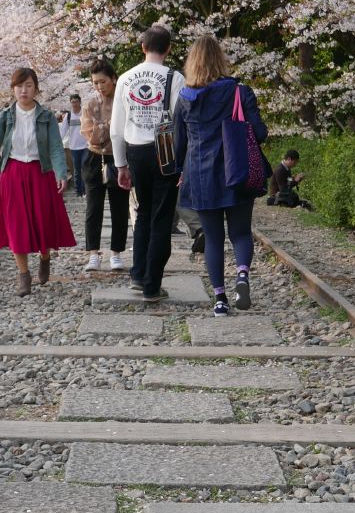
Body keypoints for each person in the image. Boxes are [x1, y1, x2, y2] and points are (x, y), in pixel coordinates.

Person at [173, 34, 270, 317]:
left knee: (213, 239)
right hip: (237, 171)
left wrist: (180, 170)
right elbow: (260, 133)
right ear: (221, 60)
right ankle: (242, 275)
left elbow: (180, 143)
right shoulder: (240, 92)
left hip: (202, 176)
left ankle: (219, 300)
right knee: (240, 232)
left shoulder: (185, 98)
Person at [0, 67, 76, 296]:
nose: (24, 90)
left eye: (29, 85)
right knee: (17, 225)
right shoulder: (4, 117)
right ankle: (23, 275)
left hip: (41, 173)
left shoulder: (47, 116)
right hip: (14, 174)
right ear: (13, 89)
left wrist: (61, 173)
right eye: (19, 86)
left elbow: (56, 148)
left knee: (44, 223)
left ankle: (44, 256)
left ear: (36, 88)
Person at [111, 25, 184, 302]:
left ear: (143, 47)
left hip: (135, 150)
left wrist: (120, 165)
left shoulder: (126, 79)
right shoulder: (174, 78)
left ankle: (138, 276)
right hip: (165, 150)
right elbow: (180, 122)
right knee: (162, 216)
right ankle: (153, 285)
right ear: (168, 49)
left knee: (142, 212)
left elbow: (116, 128)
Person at [79, 58, 129, 272]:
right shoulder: (90, 104)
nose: (99, 87)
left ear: (113, 79)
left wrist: (103, 127)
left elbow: (125, 131)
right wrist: (110, 127)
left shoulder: (125, 99)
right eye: (95, 83)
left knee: (120, 207)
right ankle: (93, 253)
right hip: (94, 158)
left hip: (119, 158)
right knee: (93, 207)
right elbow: (92, 137)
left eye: (102, 82)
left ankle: (116, 252)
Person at [59, 93, 87, 197]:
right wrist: (58, 143)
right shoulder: (68, 116)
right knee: (76, 169)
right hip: (74, 147)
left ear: (80, 102)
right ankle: (78, 191)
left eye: (76, 101)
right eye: (72, 102)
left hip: (86, 146)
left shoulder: (85, 113)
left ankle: (85, 190)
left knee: (84, 167)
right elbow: (63, 131)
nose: (74, 104)